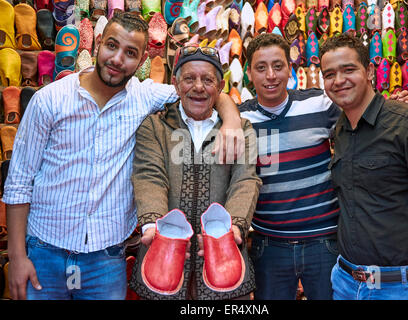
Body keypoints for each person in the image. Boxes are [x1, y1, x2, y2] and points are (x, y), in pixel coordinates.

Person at [3, 12, 243, 300]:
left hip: (105, 261)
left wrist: (230, 119)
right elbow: (18, 183)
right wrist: (17, 257)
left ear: (142, 61)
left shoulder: (144, 97)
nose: (117, 59)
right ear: (98, 43)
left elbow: (200, 89)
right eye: (112, 46)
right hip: (45, 252)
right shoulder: (49, 100)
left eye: (130, 53)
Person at [320, 33, 408, 300]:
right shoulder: (341, 129)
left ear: (369, 71)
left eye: (348, 69)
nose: (339, 80)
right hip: (345, 283)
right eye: (329, 74)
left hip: (401, 288)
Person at [128, 46, 261, 300]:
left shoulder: (240, 128)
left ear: (220, 86)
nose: (198, 87)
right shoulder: (154, 126)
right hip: (162, 258)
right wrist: (153, 224)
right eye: (189, 79)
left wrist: (234, 226)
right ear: (176, 84)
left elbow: (245, 179)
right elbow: (149, 175)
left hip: (226, 258)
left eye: (207, 80)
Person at [239, 33, 341, 300]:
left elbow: (362, 113)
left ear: (290, 68)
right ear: (249, 73)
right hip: (269, 245)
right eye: (261, 68)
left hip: (324, 242)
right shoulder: (239, 119)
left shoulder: (320, 105)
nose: (270, 75)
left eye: (278, 65)